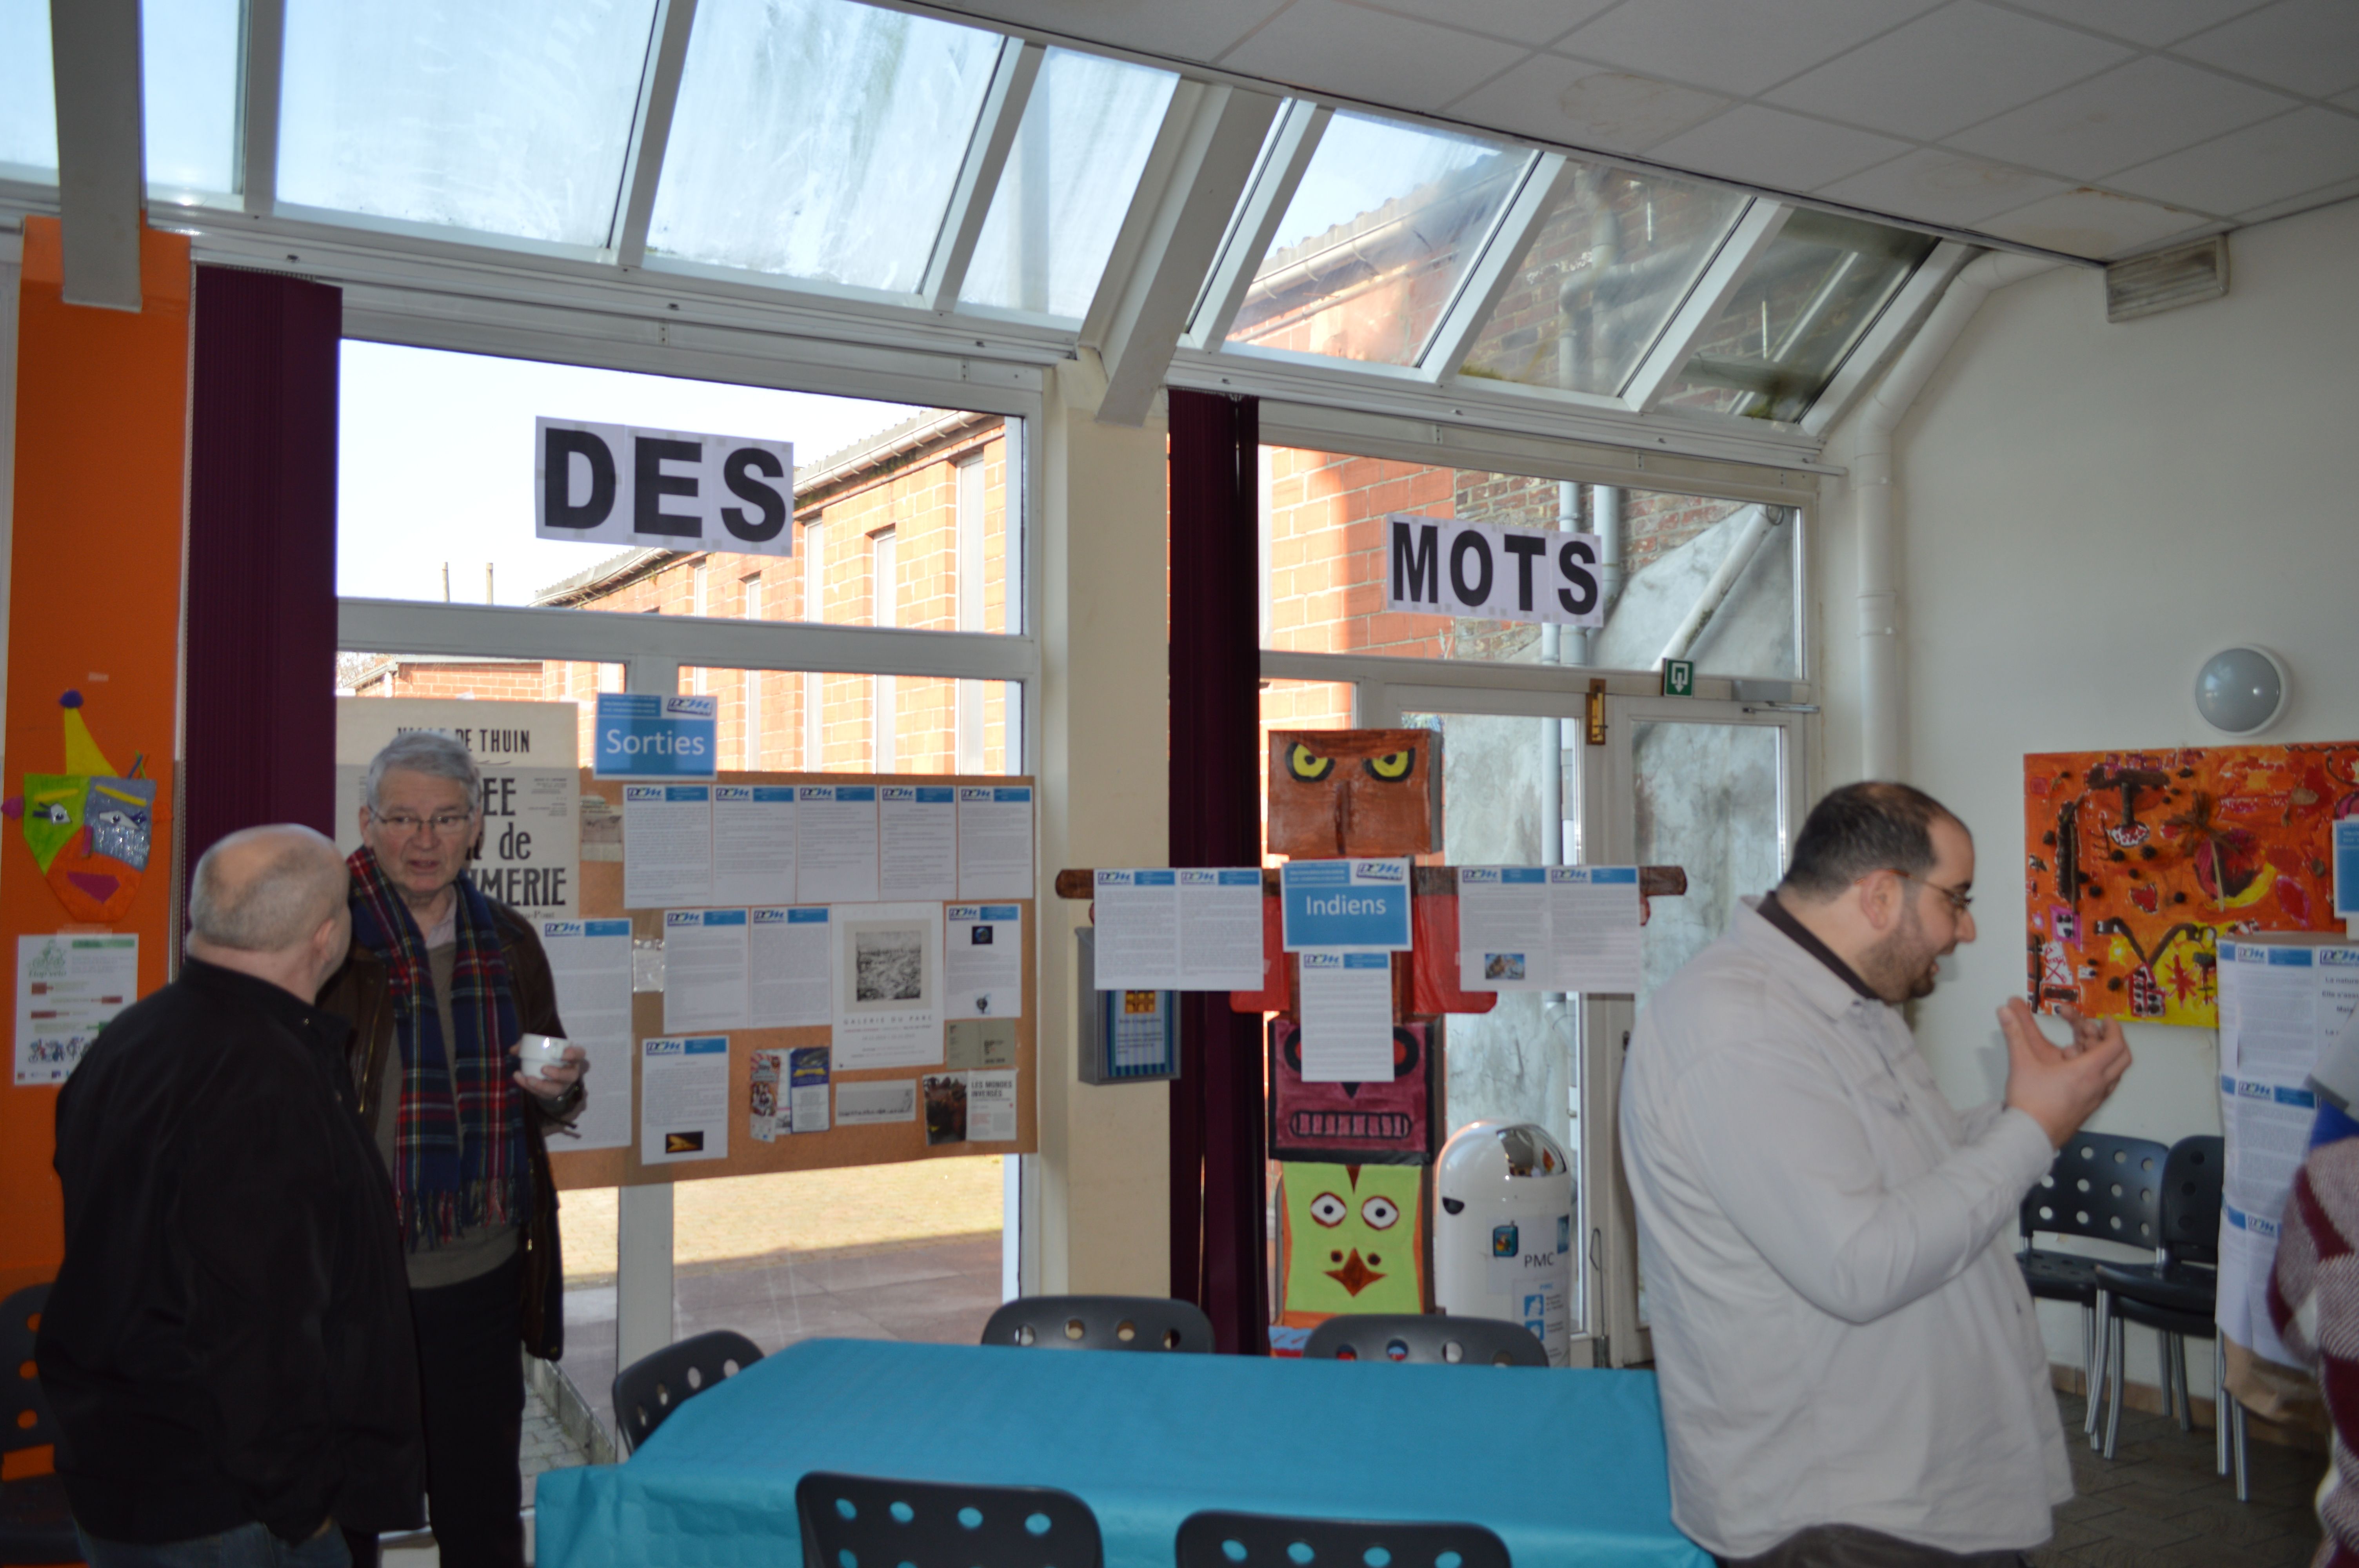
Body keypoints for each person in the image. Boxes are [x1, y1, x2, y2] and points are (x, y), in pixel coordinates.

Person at [1620, 781, 2132, 1568]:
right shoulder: (1741, 1030)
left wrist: (2041, 1109)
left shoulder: (1845, 1004)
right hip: (1841, 1512)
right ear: (1881, 894)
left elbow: (1921, 1169)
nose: (1966, 929)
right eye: (1956, 899)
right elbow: (1860, 1264)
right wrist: (2033, 1129)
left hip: (1906, 1488)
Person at [37, 825, 422, 1568]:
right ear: (326, 936)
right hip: (228, 1510)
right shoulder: (263, 1082)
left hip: (123, 1477)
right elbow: (257, 1331)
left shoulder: (131, 1038)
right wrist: (303, 1509)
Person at [319, 731, 586, 1568]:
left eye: (445, 818)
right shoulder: (323, 942)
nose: (424, 839)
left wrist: (559, 1089)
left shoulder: (508, 940)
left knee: (482, 1509)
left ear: (476, 827)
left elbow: (548, 1075)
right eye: (403, 817)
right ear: (367, 823)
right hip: (358, 1280)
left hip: (482, 1272)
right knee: (347, 1508)